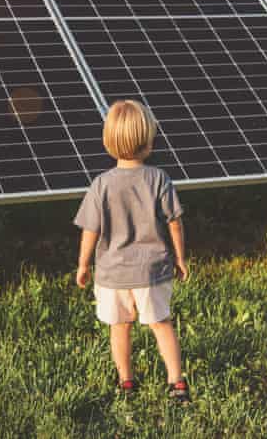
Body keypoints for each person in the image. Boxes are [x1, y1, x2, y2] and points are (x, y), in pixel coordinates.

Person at [73, 99, 191, 404]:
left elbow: (90, 230)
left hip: (113, 274)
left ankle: (126, 381)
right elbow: (174, 224)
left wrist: (83, 265)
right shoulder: (159, 179)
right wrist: (179, 257)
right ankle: (176, 382)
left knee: (120, 328)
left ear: (108, 142)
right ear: (148, 141)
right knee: (161, 324)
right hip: (153, 271)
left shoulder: (101, 185)